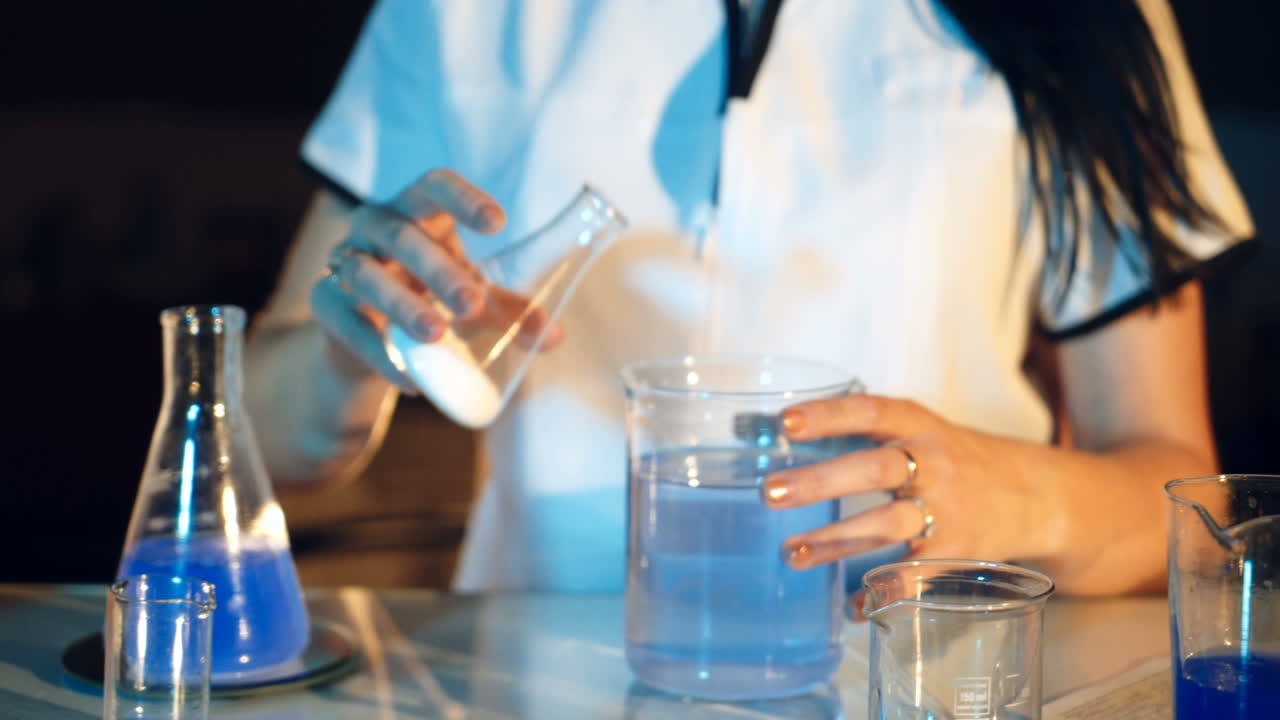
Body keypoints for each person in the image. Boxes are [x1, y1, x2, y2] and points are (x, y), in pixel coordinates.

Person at [245, 0, 1253, 595]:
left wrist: (1011, 493)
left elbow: (1176, 483)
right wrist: (347, 356)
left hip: (924, 671)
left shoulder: (1087, 16)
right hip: (535, 674)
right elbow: (261, 440)